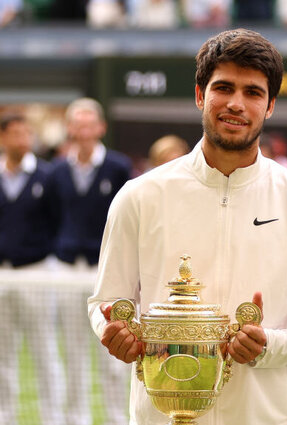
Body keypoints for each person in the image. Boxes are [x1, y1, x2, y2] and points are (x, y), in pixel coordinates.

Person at [87, 29, 287, 425]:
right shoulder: (139, 196)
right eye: (223, 87)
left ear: (271, 105)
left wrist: (268, 346)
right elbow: (104, 303)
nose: (236, 104)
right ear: (199, 95)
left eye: (253, 92)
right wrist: (115, 331)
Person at [46, 97, 132, 425]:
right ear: (69, 129)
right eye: (77, 124)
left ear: (101, 127)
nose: (83, 130)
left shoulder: (118, 167)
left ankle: (115, 419)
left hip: (106, 270)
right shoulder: (55, 172)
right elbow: (52, 216)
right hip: (66, 269)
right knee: (73, 350)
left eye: (89, 123)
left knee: (113, 350)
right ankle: (74, 419)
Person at [0, 112, 64, 425]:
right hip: (2, 276)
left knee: (44, 349)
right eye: (15, 133)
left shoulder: (47, 176)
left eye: (27, 133)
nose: (22, 139)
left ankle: (53, 418)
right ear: (2, 138)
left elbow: (57, 221)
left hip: (38, 271)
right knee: (3, 353)